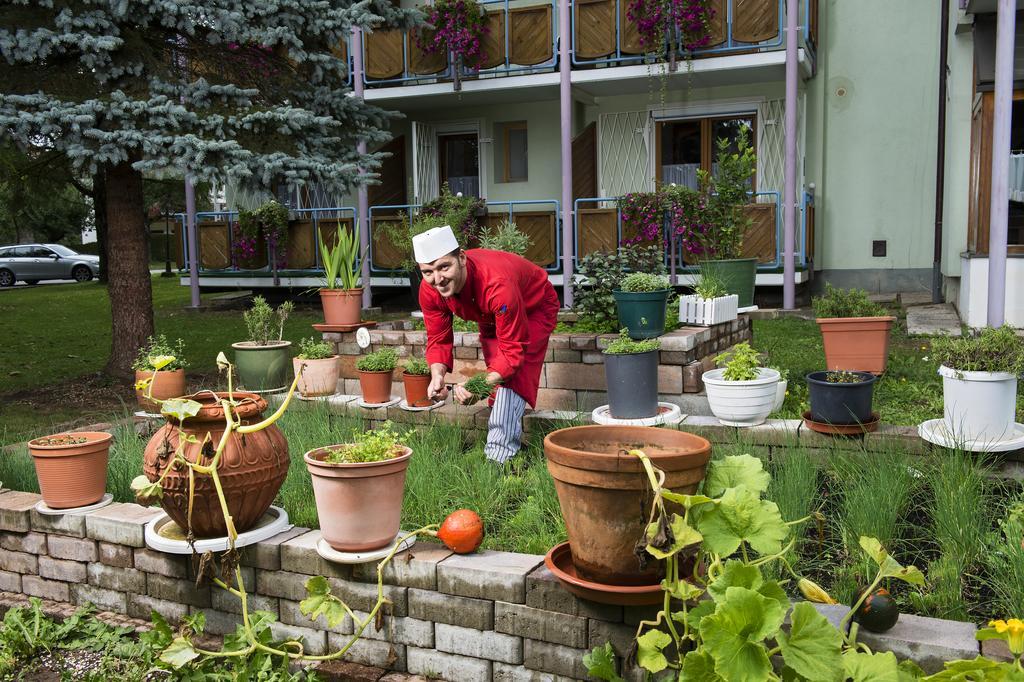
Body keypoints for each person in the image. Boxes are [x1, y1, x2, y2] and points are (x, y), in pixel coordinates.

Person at [414, 225, 560, 465]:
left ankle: (499, 458)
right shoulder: (430, 290)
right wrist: (437, 375)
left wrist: (479, 385)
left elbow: (513, 354)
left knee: (513, 374)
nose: (438, 279)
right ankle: (508, 435)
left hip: (534, 307)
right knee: (497, 370)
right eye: (428, 272)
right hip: (490, 314)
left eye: (444, 267)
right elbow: (438, 338)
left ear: (461, 258)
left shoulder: (496, 285)